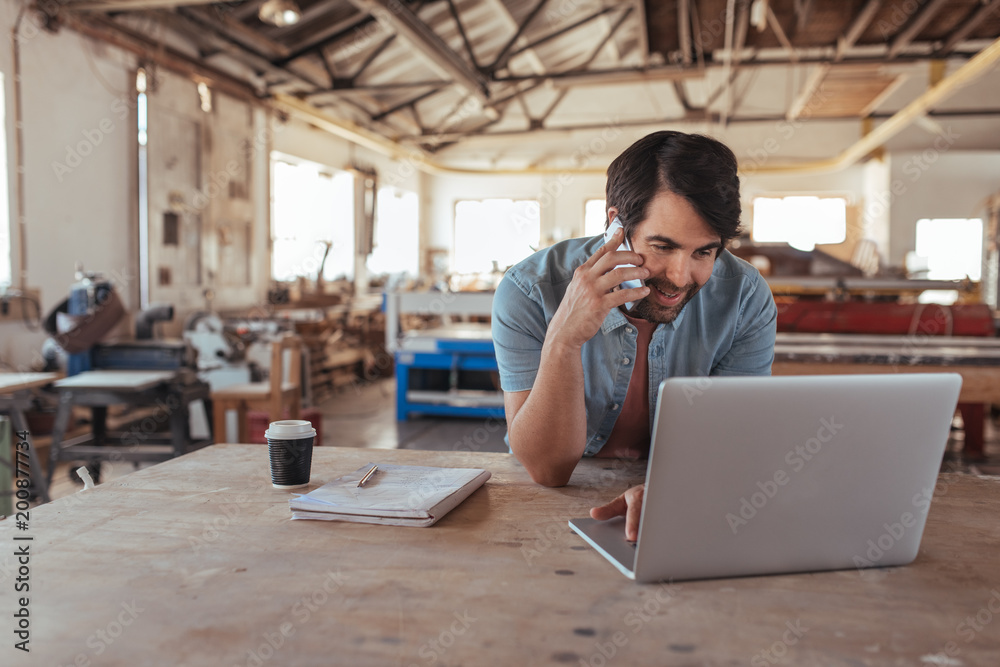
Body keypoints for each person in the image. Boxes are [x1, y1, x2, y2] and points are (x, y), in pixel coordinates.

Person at [491, 130, 777, 540]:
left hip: (682, 500)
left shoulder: (745, 298)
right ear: (615, 226)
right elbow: (548, 470)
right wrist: (564, 340)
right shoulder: (530, 289)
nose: (680, 277)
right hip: (550, 507)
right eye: (662, 246)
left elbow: (731, 449)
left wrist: (675, 492)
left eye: (704, 252)